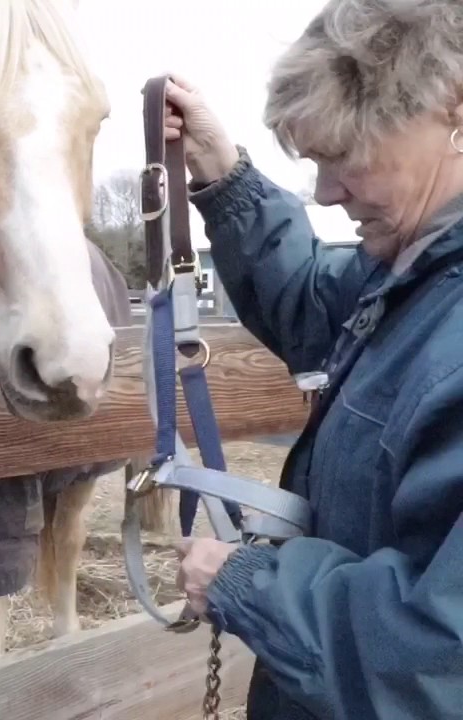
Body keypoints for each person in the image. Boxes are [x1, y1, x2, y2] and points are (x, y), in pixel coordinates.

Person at [162, 1, 463, 718]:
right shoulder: (416, 274)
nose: (326, 192)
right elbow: (310, 301)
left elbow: (441, 658)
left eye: (345, 156)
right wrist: (224, 175)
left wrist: (249, 583)